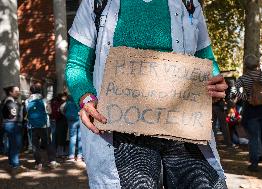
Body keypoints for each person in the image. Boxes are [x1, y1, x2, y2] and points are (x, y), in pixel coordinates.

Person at [66, 0, 228, 188]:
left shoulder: (189, 3)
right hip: (122, 134)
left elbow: (206, 58)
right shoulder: (95, 3)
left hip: (185, 127)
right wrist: (86, 98)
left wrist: (216, 81)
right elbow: (76, 65)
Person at [25, 83, 59, 170]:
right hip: (45, 125)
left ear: (31, 91)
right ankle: (52, 162)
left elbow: (27, 112)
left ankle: (38, 164)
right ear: (40, 90)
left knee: (35, 146)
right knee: (48, 143)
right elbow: (50, 111)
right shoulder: (45, 100)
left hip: (31, 126)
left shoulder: (27, 101)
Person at [1, 86, 25, 172]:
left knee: (13, 145)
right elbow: (13, 113)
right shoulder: (10, 101)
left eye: (19, 91)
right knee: (15, 145)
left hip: (9, 124)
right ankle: (15, 166)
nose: (18, 92)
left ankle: (12, 164)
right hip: (12, 124)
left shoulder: (7, 100)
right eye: (16, 91)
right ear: (10, 92)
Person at [60, 95, 82, 161]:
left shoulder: (67, 102)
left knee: (72, 138)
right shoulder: (79, 100)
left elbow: (61, 109)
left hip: (71, 121)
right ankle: (79, 156)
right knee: (80, 138)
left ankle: (71, 156)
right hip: (80, 120)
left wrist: (66, 115)